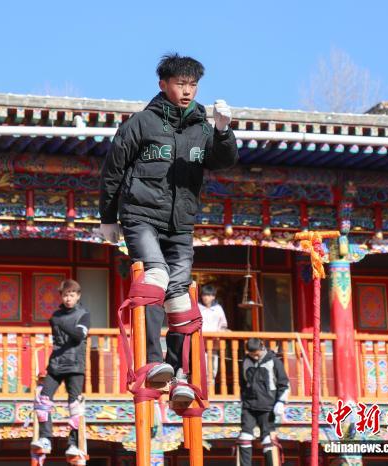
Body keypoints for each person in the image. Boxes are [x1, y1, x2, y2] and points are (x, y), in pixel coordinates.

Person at [98, 53, 238, 402]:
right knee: (155, 278)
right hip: (141, 216)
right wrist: (108, 218)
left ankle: (177, 372)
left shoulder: (201, 128)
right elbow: (113, 170)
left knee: (179, 295)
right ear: (163, 84)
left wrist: (223, 131)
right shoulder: (141, 123)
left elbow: (224, 161)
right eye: (180, 84)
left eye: (193, 85)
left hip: (181, 223)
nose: (187, 91)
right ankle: (152, 361)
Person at [31, 279, 90, 458]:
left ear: (78, 296)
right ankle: (45, 438)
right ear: (61, 296)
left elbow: (79, 336)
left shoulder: (84, 314)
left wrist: (62, 324)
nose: (68, 298)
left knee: (74, 405)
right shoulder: (56, 315)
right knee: (42, 400)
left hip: (75, 365)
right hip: (56, 363)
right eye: (65, 295)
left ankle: (73, 444)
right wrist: (58, 322)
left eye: (71, 295)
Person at [237, 338, 289, 466]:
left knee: (267, 440)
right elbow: (243, 383)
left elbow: (284, 384)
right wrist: (242, 399)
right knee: (244, 437)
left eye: (256, 354)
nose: (255, 357)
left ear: (262, 348)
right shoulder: (245, 361)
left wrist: (281, 402)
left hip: (267, 406)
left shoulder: (274, 361)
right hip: (249, 405)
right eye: (251, 354)